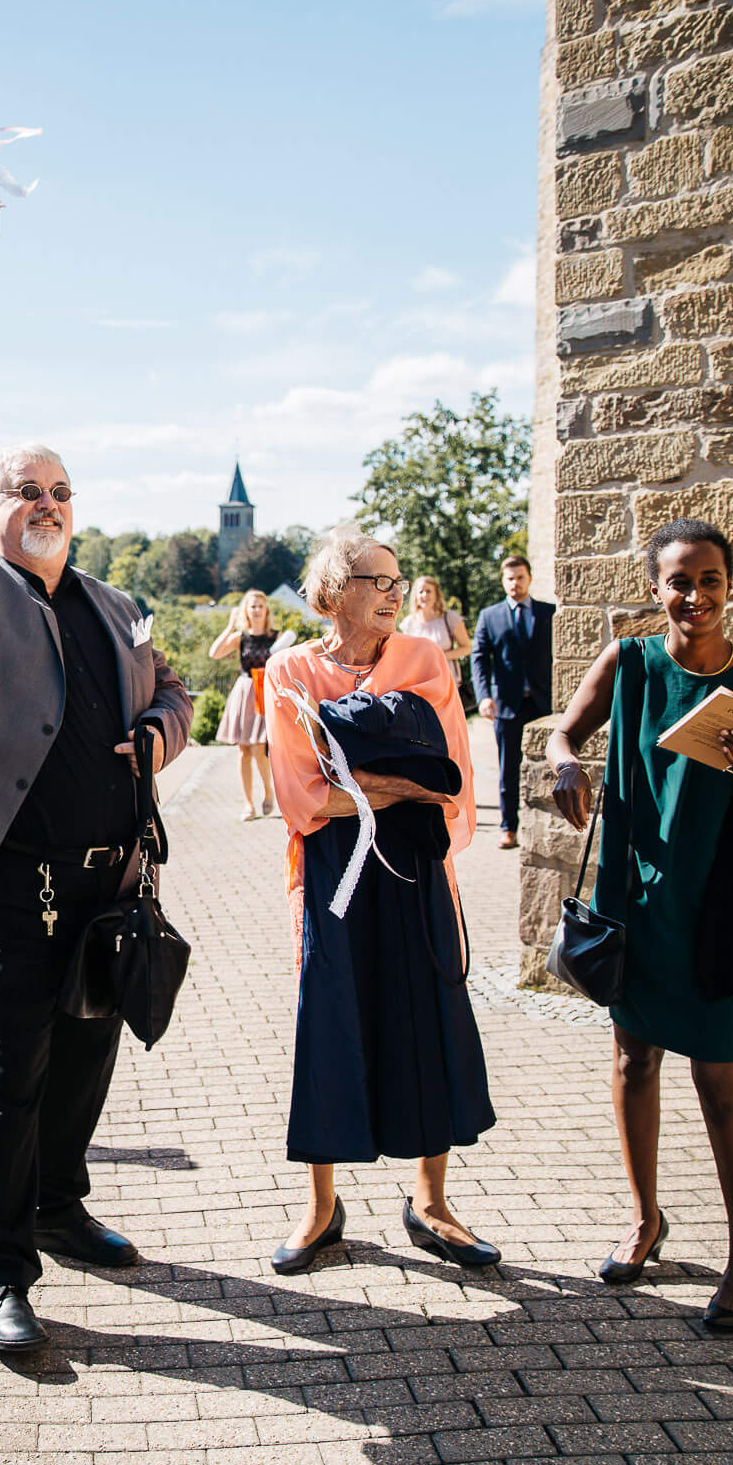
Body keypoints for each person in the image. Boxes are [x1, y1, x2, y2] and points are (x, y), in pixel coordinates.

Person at [0, 333, 194, 1353]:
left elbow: (178, 689)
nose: (47, 502)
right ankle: (0, 1268)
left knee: (87, 1060)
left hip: (111, 884)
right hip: (13, 886)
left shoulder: (116, 605)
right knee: (9, 1075)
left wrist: (162, 730)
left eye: (59, 488)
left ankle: (60, 1205)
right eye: (26, 488)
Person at [546, 518, 733, 1333]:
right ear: (656, 588)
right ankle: (646, 1218)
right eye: (679, 582)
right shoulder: (629, 662)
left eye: (710, 581)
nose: (694, 597)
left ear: (731, 586)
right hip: (639, 893)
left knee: (717, 1075)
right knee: (633, 1058)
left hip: (727, 903)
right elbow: (564, 730)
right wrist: (563, 760)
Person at [262, 526, 498, 1276]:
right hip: (337, 874)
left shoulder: (425, 659)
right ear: (334, 594)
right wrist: (394, 782)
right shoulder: (291, 670)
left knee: (425, 1018)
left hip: (416, 869)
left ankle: (430, 1204)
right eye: (376, 580)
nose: (393, 593)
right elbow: (303, 795)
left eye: (399, 581)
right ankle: (321, 1208)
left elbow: (449, 777)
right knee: (330, 1022)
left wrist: (365, 779)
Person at [471, 554, 555, 850]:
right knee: (508, 769)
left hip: (544, 704)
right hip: (506, 704)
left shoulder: (550, 613)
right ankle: (508, 827)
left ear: (529, 578)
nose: (514, 583)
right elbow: (479, 659)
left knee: (550, 766)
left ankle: (547, 826)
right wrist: (484, 697)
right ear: (502, 581)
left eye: (519, 577)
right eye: (509, 578)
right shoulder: (489, 616)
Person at [209, 589, 278, 820]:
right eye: (252, 606)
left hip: (265, 691)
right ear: (246, 611)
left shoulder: (276, 637)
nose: (257, 610)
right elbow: (215, 653)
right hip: (245, 690)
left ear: (266, 609)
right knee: (244, 750)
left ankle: (269, 792)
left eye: (260, 605)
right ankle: (248, 804)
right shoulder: (241, 637)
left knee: (260, 748)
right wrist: (230, 626)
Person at [396, 576, 472, 664]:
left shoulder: (450, 618)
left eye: (428, 591)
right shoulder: (409, 623)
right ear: (415, 596)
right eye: (421, 592)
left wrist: (440, 656)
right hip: (420, 676)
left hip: (446, 674)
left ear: (436, 594)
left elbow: (466, 648)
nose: (424, 595)